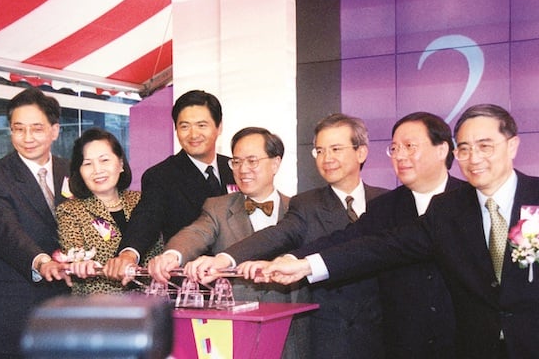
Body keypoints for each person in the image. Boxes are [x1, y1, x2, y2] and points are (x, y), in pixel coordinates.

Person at [255, 104, 539, 358]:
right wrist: (305, 265)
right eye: (464, 149)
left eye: (485, 146)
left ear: (512, 145)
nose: (474, 158)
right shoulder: (449, 209)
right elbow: (380, 245)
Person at [187, 113, 388, 359]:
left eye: (335, 149)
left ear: (361, 152)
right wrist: (224, 259)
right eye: (320, 151)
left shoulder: (388, 202)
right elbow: (276, 235)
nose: (327, 158)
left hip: (383, 335)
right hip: (327, 339)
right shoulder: (306, 203)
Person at [266, 112, 460, 358]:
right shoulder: (385, 205)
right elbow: (350, 240)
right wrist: (295, 261)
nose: (400, 156)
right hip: (402, 347)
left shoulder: (469, 201)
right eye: (394, 148)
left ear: (442, 149)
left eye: (410, 146)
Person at [148, 127, 308, 359]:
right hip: (235, 336)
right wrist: (172, 255)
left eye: (252, 161)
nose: (243, 170)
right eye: (237, 162)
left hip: (291, 335)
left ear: (275, 163)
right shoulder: (218, 207)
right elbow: (194, 233)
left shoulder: (299, 209)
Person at [0, 88, 71, 358]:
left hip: (67, 311)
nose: (27, 138)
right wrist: (41, 261)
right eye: (19, 129)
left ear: (54, 130)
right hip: (12, 314)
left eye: (37, 128)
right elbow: (5, 231)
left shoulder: (74, 173)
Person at [103, 89, 235, 280]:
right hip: (192, 283)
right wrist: (128, 254)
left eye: (201, 125)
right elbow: (146, 218)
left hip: (240, 278)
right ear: (176, 129)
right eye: (185, 126)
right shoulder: (161, 175)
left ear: (219, 127)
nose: (193, 134)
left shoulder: (235, 168)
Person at [56, 128, 162, 295]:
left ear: (120, 164)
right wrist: (81, 265)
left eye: (104, 160)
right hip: (100, 305)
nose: (97, 170)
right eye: (88, 163)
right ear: (79, 171)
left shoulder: (142, 201)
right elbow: (75, 252)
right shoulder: (71, 211)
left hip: (151, 302)